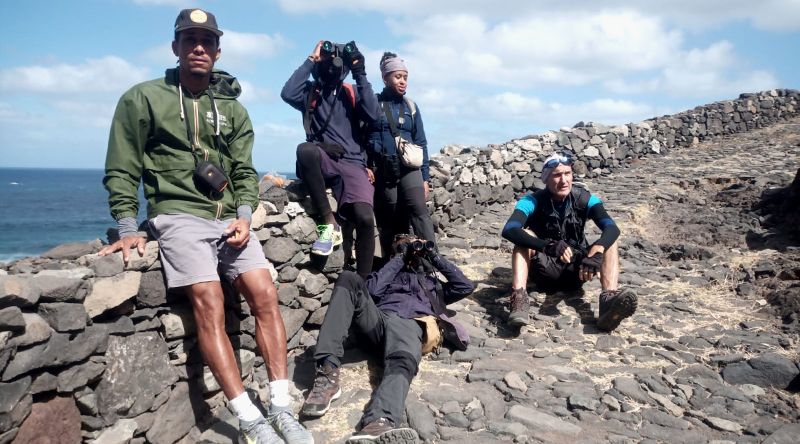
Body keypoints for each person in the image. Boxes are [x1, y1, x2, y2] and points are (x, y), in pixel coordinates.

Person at [99, 9, 312, 444]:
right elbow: (123, 166)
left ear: (218, 50)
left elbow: (243, 170)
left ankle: (280, 406)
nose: (199, 47)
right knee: (210, 298)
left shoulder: (232, 109)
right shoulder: (143, 98)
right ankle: (248, 418)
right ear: (175, 47)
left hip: (228, 219)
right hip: (177, 215)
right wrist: (126, 225)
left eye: (207, 41)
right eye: (190, 39)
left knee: (265, 295)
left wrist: (246, 216)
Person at [300, 235, 474, 442]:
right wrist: (399, 257)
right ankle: (327, 374)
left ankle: (380, 420)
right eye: (406, 243)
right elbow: (371, 291)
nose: (412, 247)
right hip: (378, 323)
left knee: (402, 356)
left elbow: (465, 286)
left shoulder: (432, 284)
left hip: (410, 323)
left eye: (414, 243)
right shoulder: (386, 273)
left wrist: (432, 255)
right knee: (348, 277)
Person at [500, 152, 637, 331]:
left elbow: (612, 228)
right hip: (544, 269)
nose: (563, 180)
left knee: (610, 242)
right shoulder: (531, 201)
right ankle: (519, 299)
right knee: (524, 238)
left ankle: (608, 301)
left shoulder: (586, 199)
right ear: (546, 179)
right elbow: (509, 229)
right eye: (557, 175)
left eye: (567, 173)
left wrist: (597, 251)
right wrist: (547, 246)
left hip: (579, 269)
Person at [281, 40, 380, 278]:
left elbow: (374, 114)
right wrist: (312, 59)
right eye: (327, 60)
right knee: (305, 149)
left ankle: (362, 286)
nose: (332, 66)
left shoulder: (351, 92)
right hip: (324, 159)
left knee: (365, 218)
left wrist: (360, 72)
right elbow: (287, 92)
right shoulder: (310, 93)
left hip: (353, 162)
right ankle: (330, 223)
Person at [368, 52, 436, 257]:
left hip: (409, 168)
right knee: (389, 217)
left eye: (405, 77)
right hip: (384, 170)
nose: (403, 81)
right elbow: (362, 137)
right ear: (385, 77)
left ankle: (434, 261)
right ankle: (394, 264)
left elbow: (421, 142)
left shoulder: (411, 107)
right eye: (398, 76)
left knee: (419, 210)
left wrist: (425, 178)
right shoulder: (373, 104)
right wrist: (366, 165)